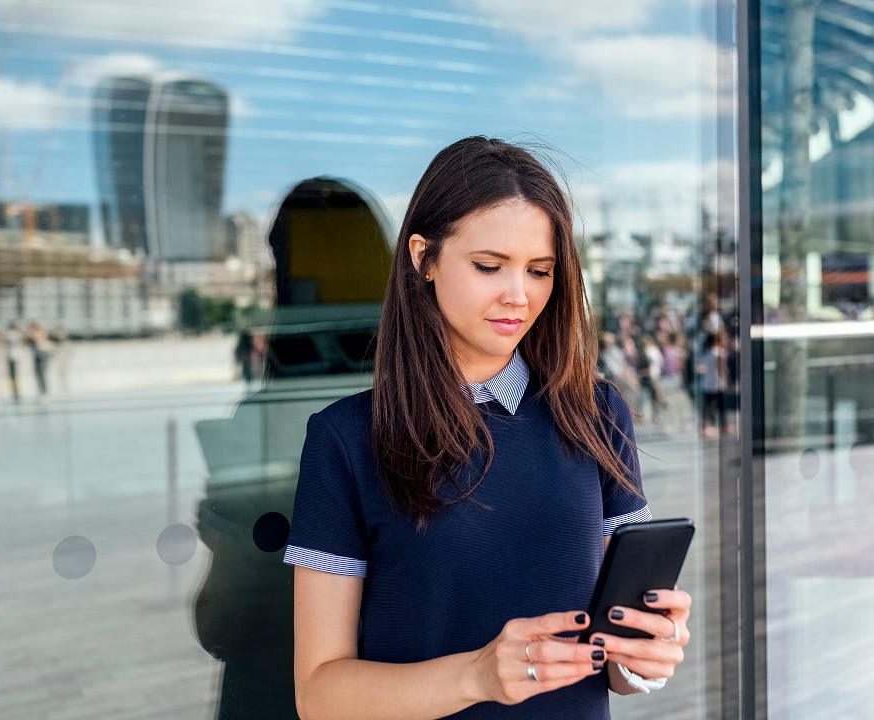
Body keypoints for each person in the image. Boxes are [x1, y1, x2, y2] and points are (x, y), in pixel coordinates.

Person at [283, 137, 691, 720]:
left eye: (540, 270)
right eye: (489, 266)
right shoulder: (345, 439)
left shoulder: (596, 413)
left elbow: (613, 667)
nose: (519, 296)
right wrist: (476, 675)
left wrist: (641, 659)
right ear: (423, 259)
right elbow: (320, 695)